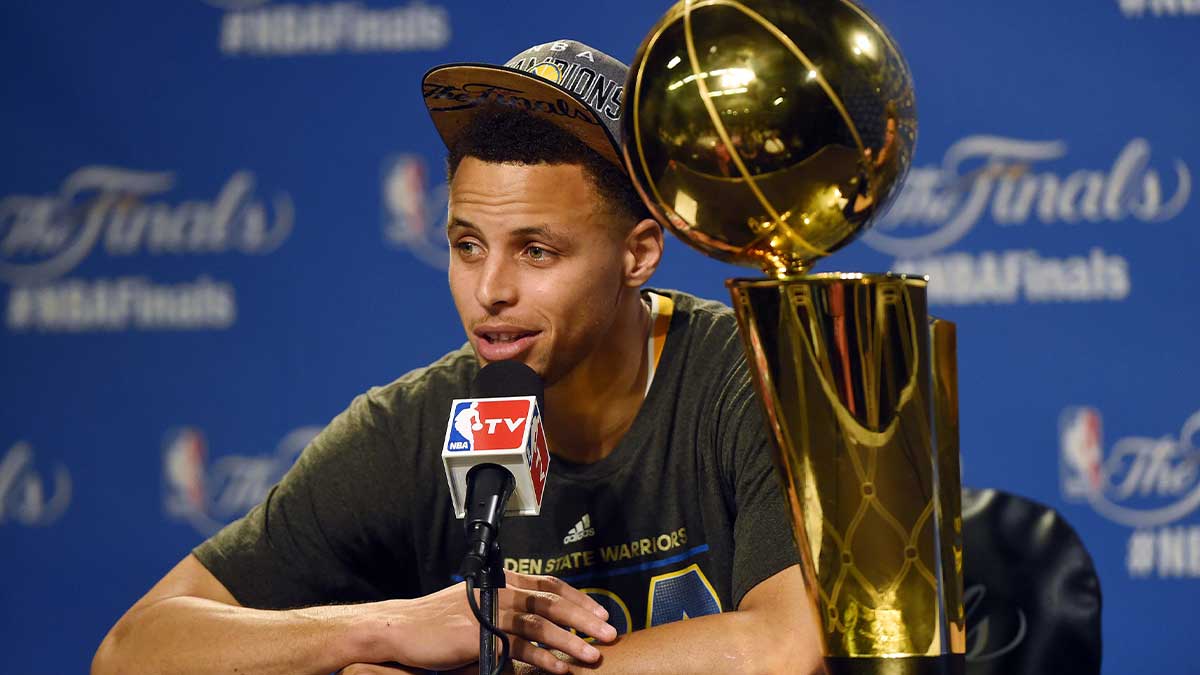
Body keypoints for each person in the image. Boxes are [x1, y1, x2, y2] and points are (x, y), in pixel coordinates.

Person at [92, 39, 823, 675]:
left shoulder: (750, 375)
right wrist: (387, 625)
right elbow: (133, 650)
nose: (490, 291)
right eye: (466, 245)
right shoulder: (415, 424)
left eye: (536, 251)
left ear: (638, 253)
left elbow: (787, 647)